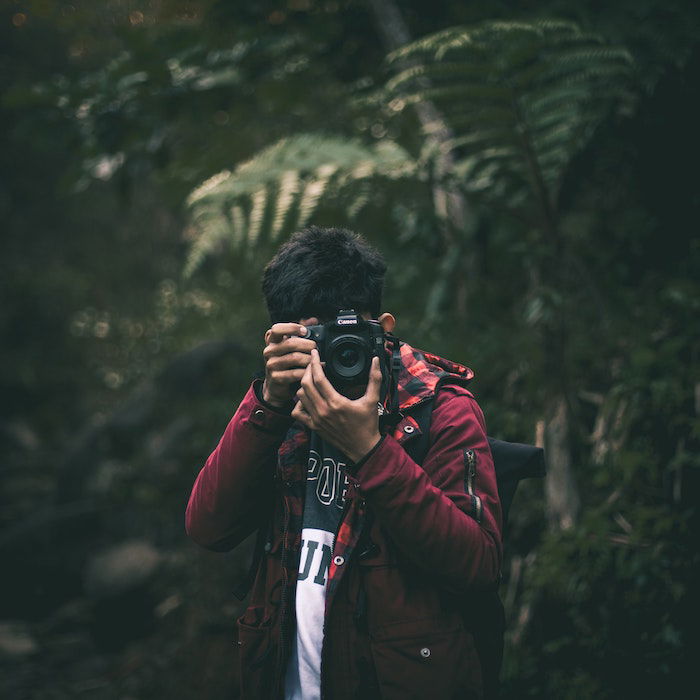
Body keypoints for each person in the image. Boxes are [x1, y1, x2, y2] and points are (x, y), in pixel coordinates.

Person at [185, 226, 503, 699]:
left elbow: (477, 564)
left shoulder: (442, 409)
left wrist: (370, 451)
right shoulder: (279, 407)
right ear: (279, 340)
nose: (338, 356)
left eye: (351, 337)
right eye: (316, 339)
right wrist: (267, 402)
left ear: (385, 328)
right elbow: (209, 528)